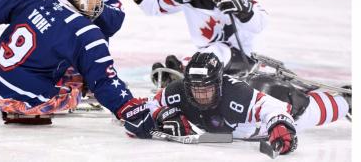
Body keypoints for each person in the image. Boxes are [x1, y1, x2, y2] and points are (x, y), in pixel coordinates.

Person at [0, 0, 155, 137]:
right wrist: (127, 107)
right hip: (27, 99)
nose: (96, 2)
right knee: (84, 77)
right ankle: (73, 88)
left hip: (2, 70)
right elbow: (103, 80)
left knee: (52, 48)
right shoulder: (84, 32)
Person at [146, 52, 350, 156]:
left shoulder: (237, 96)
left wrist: (280, 125)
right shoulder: (178, 91)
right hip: (237, 121)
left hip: (267, 107)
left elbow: (275, 109)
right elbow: (150, 104)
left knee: (300, 108)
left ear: (218, 83)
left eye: (206, 89)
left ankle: (347, 102)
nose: (200, 96)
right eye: (195, 88)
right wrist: (162, 114)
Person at [114, 0, 267, 83]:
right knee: (204, 56)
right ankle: (185, 70)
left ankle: (185, 71)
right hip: (207, 55)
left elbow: (260, 23)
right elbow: (155, 6)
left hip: (240, 59)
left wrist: (245, 10)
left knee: (215, 52)